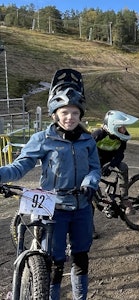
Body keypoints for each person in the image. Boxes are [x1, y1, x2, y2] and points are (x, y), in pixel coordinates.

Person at [0, 68, 101, 299]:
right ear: (55, 113)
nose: (70, 117)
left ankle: (80, 297)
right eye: (65, 112)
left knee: (81, 256)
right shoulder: (42, 139)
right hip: (53, 209)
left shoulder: (87, 140)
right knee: (54, 262)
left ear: (80, 114)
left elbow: (95, 168)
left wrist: (89, 182)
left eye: (75, 112)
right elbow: (19, 167)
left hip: (82, 207)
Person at [91, 110, 139, 216]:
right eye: (121, 127)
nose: (124, 130)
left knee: (123, 167)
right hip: (95, 162)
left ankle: (124, 199)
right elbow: (86, 151)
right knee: (91, 193)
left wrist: (111, 165)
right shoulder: (98, 134)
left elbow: (120, 155)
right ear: (113, 126)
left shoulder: (122, 137)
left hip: (110, 161)